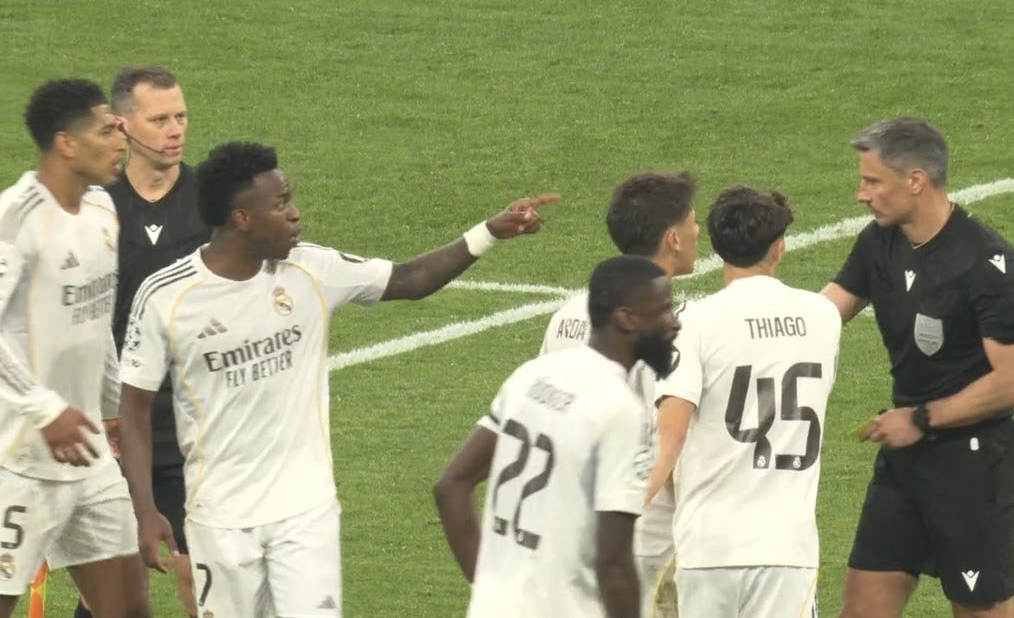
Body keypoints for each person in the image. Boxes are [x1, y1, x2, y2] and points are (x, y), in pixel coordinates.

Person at [116, 140, 558, 616]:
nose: (295, 214)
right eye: (281, 203)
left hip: (306, 513)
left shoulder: (311, 269)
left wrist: (489, 232)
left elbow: (410, 279)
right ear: (242, 218)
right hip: (220, 519)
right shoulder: (168, 297)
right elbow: (134, 408)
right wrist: (144, 509)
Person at [822, 117, 1014, 618]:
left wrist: (920, 419)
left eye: (872, 181)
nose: (861, 195)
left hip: (973, 467)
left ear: (915, 180)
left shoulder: (986, 263)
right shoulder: (879, 241)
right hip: (904, 461)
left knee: (979, 611)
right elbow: (825, 313)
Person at [436, 254, 681, 618]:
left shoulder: (532, 375)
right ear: (627, 319)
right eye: (663, 310)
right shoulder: (619, 409)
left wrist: (487, 587)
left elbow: (452, 485)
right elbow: (613, 563)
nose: (674, 322)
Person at [648, 186, 841, 617]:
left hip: (708, 547)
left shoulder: (693, 323)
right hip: (787, 548)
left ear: (716, 249)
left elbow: (670, 436)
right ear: (779, 247)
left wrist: (619, 514)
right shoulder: (823, 316)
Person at [0, 79, 150, 617]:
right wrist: (47, 411)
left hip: (87, 454)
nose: (121, 141)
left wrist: (110, 408)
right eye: (107, 130)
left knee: (129, 609)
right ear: (66, 143)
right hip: (16, 460)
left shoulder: (103, 211)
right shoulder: (15, 218)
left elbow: (94, 317)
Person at [539, 171, 699, 617]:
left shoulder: (567, 315)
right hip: (642, 540)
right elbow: (669, 437)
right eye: (693, 222)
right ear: (673, 239)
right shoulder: (675, 327)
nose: (697, 232)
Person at [93, 65, 208, 618]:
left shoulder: (214, 201)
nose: (175, 129)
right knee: (112, 599)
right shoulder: (94, 207)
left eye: (180, 116)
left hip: (196, 432)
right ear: (122, 125)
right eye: (159, 119)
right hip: (115, 431)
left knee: (206, 587)